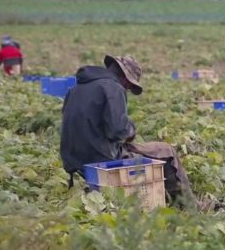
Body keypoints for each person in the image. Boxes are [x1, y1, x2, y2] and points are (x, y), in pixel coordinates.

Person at [60, 55, 195, 207]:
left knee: (145, 150)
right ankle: (188, 206)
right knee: (166, 151)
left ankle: (168, 199)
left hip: (75, 161)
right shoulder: (113, 88)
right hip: (102, 157)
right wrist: (131, 130)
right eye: (129, 86)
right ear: (125, 79)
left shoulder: (76, 89)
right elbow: (118, 130)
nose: (127, 89)